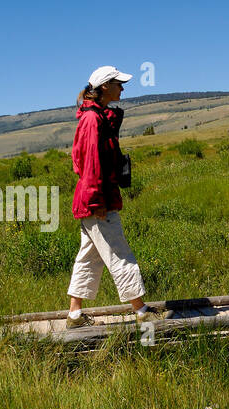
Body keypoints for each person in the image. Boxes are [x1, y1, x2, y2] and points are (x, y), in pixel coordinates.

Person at [65, 65, 167, 328]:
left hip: (93, 198)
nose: (122, 88)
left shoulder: (95, 117)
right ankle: (141, 310)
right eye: (118, 83)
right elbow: (89, 164)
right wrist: (97, 201)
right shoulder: (92, 120)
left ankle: (75, 315)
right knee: (118, 252)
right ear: (104, 87)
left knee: (90, 256)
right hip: (98, 200)